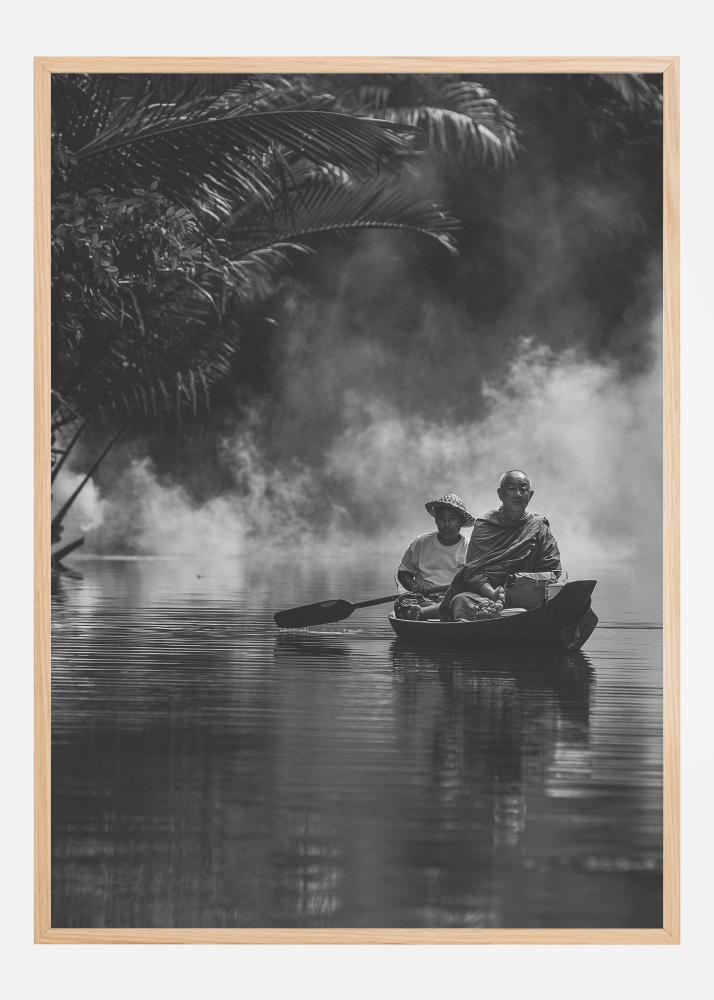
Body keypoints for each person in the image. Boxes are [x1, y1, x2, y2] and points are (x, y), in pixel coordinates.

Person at [439, 470, 562, 621]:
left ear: (530, 495)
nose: (518, 494)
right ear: (500, 494)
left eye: (523, 489)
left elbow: (552, 571)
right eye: (511, 488)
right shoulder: (485, 525)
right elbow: (472, 572)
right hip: (488, 599)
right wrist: (492, 593)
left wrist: (521, 587)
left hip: (530, 600)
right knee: (462, 601)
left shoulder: (538, 528)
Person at [394, 493, 475, 620]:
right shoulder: (420, 543)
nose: (446, 524)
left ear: (461, 522)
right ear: (436, 520)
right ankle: (432, 611)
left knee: (464, 601)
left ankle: (423, 613)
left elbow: (474, 581)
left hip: (455, 598)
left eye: (453, 519)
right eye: (442, 518)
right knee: (402, 602)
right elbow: (403, 573)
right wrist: (414, 586)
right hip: (424, 599)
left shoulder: (470, 548)